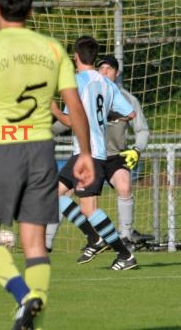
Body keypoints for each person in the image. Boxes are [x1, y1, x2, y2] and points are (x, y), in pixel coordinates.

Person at [0, 0, 94, 330]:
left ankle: (24, 295)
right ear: (31, 12)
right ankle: (36, 305)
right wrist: (86, 153)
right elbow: (74, 106)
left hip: (1, 148)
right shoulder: (51, 48)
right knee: (34, 243)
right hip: (41, 150)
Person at [50, 36, 138, 271]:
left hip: (88, 153)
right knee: (52, 194)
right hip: (88, 151)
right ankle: (94, 238)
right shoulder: (108, 84)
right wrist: (105, 117)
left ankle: (123, 254)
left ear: (75, 57)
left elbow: (70, 121)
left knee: (89, 209)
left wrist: (54, 109)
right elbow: (130, 114)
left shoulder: (77, 82)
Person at [97, 55, 152, 249]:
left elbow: (143, 130)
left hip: (115, 157)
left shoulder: (128, 99)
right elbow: (65, 122)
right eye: (100, 68)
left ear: (116, 73)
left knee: (125, 187)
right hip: (91, 155)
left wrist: (137, 149)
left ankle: (126, 237)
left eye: (108, 69)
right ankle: (46, 244)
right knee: (63, 192)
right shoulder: (87, 94)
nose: (103, 72)